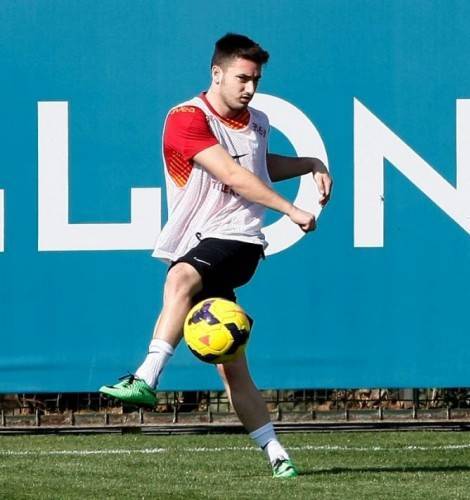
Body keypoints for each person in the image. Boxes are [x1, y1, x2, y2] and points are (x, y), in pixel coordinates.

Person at [100, 33, 332, 479]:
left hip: (239, 240)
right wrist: (293, 200)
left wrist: (309, 166)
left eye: (256, 80)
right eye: (242, 78)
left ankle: (146, 378)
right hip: (200, 240)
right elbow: (236, 172)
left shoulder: (258, 121)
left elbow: (253, 171)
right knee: (233, 369)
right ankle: (277, 454)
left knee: (180, 279)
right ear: (217, 73)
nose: (250, 88)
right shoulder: (186, 118)